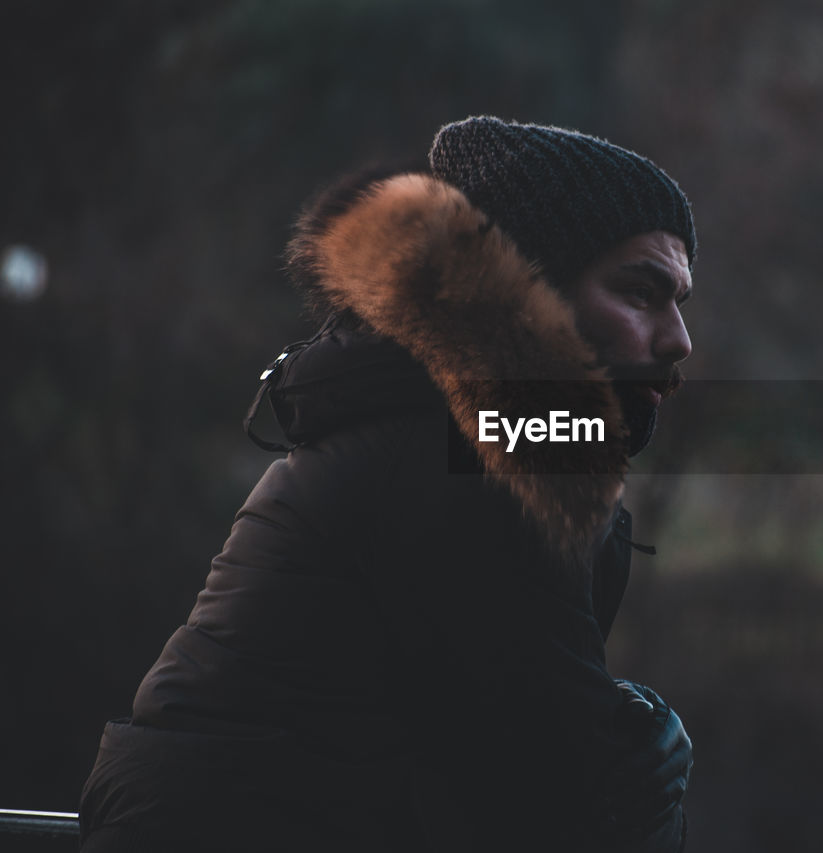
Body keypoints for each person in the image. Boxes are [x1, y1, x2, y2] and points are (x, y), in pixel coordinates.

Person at [79, 116, 696, 852]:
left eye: (680, 300)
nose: (678, 339)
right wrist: (651, 751)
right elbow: (566, 787)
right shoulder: (463, 462)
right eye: (641, 292)